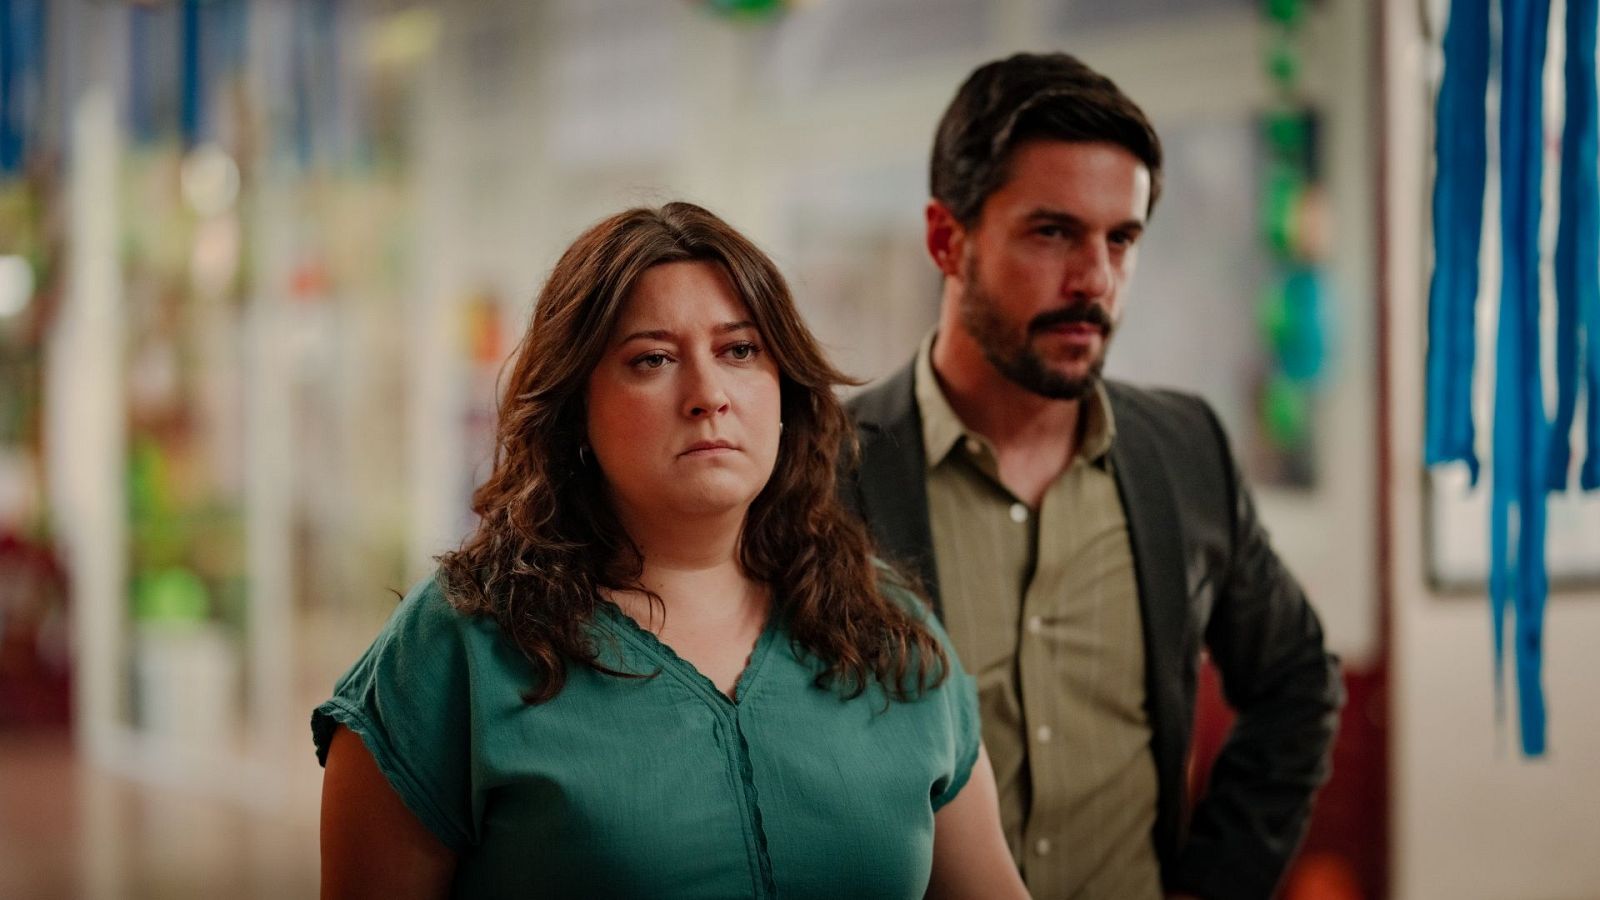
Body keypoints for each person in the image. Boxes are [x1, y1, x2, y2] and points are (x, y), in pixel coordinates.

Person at [313, 201, 1027, 899]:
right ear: (576, 410)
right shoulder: (461, 651)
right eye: (652, 359)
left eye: (740, 350)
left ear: (784, 391)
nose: (708, 393)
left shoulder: (888, 630)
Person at [840, 53, 1344, 900]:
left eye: (1122, 238)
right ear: (945, 239)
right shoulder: (824, 469)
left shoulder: (1184, 450)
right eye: (1053, 233)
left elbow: (1297, 681)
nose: (1097, 281)